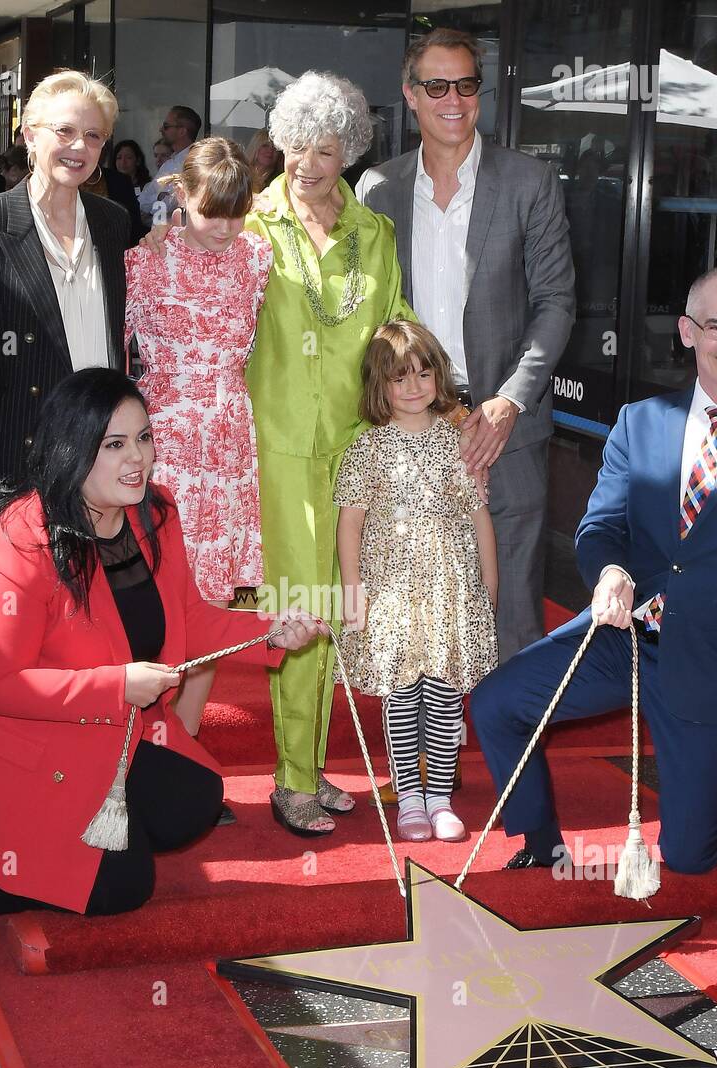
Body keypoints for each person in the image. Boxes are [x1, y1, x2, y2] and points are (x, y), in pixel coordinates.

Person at [471, 266, 717, 876]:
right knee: (496, 703)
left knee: (687, 859)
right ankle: (541, 844)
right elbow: (600, 527)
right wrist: (610, 571)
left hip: (714, 663)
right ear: (686, 331)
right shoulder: (639, 422)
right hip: (624, 638)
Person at [0, 369, 325, 933]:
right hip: (29, 747)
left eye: (144, 438)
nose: (138, 459)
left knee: (195, 800)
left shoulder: (153, 514)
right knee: (125, 890)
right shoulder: (16, 540)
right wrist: (117, 685)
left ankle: (78, 838)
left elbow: (188, 620)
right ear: (70, 450)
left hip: (110, 734)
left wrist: (270, 629)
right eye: (115, 445)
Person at [356, 29, 576, 662]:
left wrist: (509, 403)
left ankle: (514, 754)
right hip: (412, 425)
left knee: (512, 609)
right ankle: (426, 755)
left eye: (466, 84)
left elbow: (556, 301)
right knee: (414, 606)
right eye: (437, 85)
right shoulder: (379, 190)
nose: (453, 99)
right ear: (410, 94)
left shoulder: (529, 182)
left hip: (502, 426)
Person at [246, 72, 413, 836]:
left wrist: (438, 409)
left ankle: (315, 761)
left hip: (356, 448)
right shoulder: (249, 227)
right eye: (295, 145)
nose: (307, 163)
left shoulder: (375, 235)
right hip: (278, 448)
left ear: (350, 151)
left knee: (346, 609)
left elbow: (395, 331)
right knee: (303, 609)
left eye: (325, 147)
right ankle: (293, 778)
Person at [0, 70, 135, 656]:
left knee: (87, 628)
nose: (79, 147)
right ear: (27, 133)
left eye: (94, 137)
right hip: (8, 458)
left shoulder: (113, 223)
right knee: (5, 633)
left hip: (97, 457)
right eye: (65, 131)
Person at [125, 137, 271, 742]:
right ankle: (135, 750)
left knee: (212, 608)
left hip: (228, 443)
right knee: (151, 600)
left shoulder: (258, 258)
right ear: (180, 195)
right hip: (158, 445)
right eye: (214, 212)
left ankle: (181, 747)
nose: (226, 227)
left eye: (238, 212)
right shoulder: (141, 261)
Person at [336, 321, 497, 843]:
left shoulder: (459, 443)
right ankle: (408, 796)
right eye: (399, 377)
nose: (413, 387)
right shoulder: (366, 449)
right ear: (378, 385)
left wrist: (487, 590)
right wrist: (353, 592)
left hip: (452, 593)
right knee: (403, 697)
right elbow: (351, 524)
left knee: (446, 696)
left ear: (439, 377)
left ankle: (440, 797)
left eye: (423, 374)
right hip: (391, 595)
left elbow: (479, 520)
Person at [138, 105, 201, 223]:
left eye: (166, 126)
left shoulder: (198, 163)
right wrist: (160, 197)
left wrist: (163, 200)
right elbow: (143, 201)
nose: (161, 129)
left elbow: (175, 203)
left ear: (182, 131)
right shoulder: (168, 164)